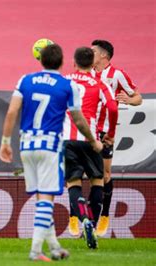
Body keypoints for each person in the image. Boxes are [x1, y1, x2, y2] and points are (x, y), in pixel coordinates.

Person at [0, 44, 102, 261]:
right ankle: (36, 251)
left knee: (42, 199)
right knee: (47, 198)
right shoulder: (66, 85)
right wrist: (93, 140)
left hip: (26, 146)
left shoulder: (25, 80)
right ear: (63, 62)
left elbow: (11, 111)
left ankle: (54, 247)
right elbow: (78, 119)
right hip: (50, 147)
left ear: (40, 60)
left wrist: (5, 142)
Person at [64, 47, 118, 249]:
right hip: (91, 140)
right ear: (92, 63)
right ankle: (93, 225)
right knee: (97, 182)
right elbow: (112, 107)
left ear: (73, 62)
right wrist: (111, 133)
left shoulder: (64, 81)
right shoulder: (100, 84)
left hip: (67, 140)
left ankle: (83, 219)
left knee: (73, 184)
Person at [87, 39, 143, 237]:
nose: (89, 53)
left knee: (105, 174)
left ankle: (104, 214)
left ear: (103, 55)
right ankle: (86, 216)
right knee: (88, 173)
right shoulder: (87, 72)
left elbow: (138, 97)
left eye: (92, 51)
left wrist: (129, 99)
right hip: (87, 130)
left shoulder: (117, 74)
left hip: (106, 132)